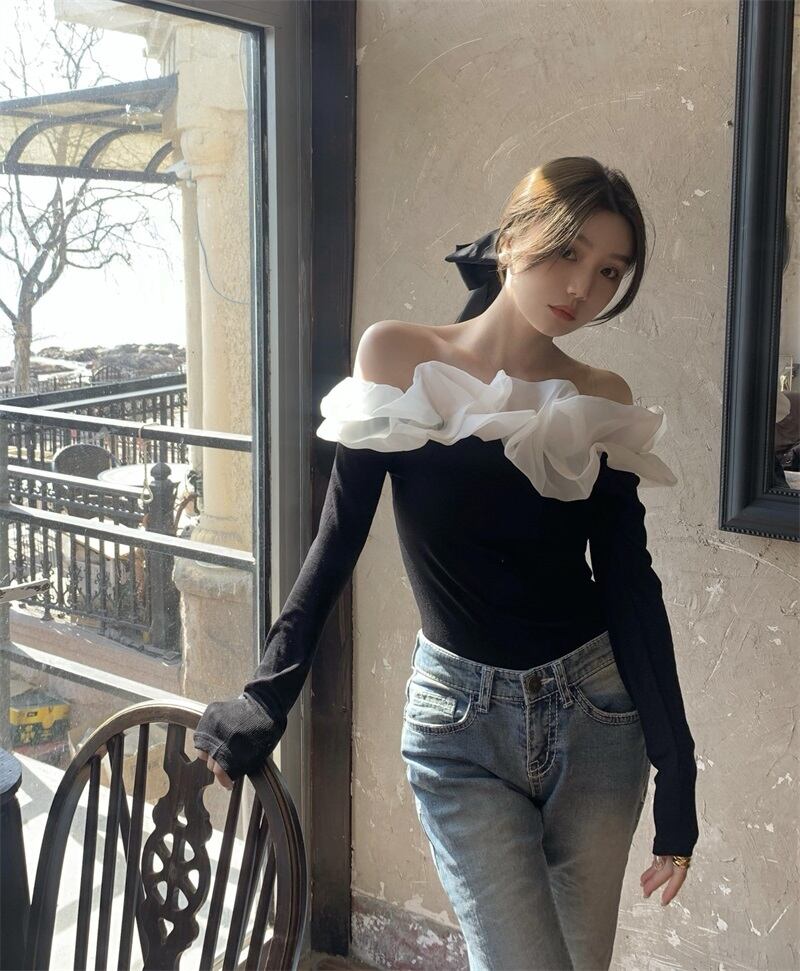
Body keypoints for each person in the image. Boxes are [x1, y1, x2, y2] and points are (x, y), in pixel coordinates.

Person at [193, 156, 698, 971]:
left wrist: (678, 770)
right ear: (513, 238)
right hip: (459, 728)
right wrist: (265, 695)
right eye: (568, 251)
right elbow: (336, 540)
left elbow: (630, 586)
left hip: (597, 717)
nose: (583, 287)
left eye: (610, 271)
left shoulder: (598, 395)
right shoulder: (399, 356)